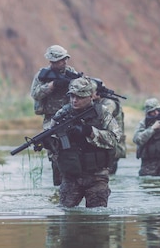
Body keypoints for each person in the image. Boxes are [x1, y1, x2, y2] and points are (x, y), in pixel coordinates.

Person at [46, 77, 120, 208]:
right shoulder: (62, 114)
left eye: (79, 97)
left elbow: (114, 140)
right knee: (66, 218)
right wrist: (50, 144)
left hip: (97, 176)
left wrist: (90, 131)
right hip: (71, 176)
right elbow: (53, 141)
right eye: (72, 96)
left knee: (97, 220)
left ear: (90, 96)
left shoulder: (102, 112)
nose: (75, 100)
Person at [30, 45, 82, 186]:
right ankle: (58, 185)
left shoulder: (71, 72)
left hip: (71, 117)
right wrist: (52, 85)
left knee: (75, 148)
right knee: (55, 151)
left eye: (65, 59)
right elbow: (35, 94)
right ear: (52, 62)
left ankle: (74, 183)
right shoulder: (43, 75)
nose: (64, 62)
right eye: (60, 60)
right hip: (51, 119)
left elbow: (82, 90)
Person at [92, 79, 126, 174]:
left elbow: (100, 117)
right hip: (102, 145)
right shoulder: (97, 102)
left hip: (112, 147)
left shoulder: (109, 103)